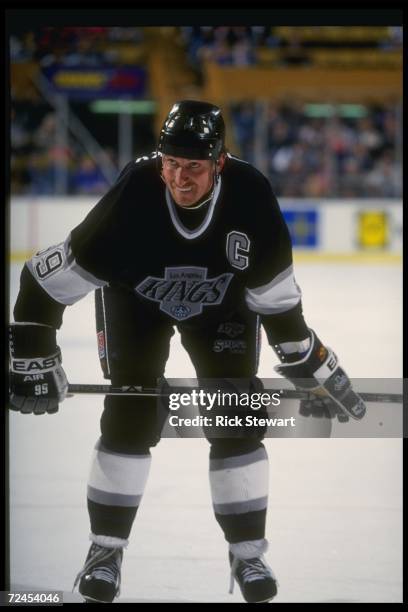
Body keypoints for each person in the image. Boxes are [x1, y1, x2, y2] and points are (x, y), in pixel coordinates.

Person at [9, 100, 366, 604]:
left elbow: (279, 305)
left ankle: (247, 553)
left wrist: (312, 363)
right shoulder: (135, 193)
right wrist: (32, 355)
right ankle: (105, 551)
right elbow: (43, 283)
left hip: (222, 309)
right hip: (135, 303)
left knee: (236, 416)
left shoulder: (251, 195)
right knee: (130, 415)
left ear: (219, 163)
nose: (179, 178)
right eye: (171, 164)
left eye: (194, 166)